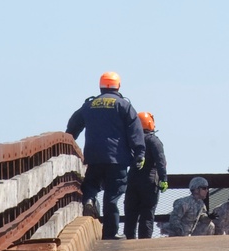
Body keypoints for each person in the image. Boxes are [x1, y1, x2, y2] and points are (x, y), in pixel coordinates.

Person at [66, 71, 146, 240]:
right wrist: (139, 153)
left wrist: (68, 139)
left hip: (93, 156)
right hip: (117, 159)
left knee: (91, 183)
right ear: (118, 86)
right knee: (113, 195)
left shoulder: (89, 105)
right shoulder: (124, 105)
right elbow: (135, 131)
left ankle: (89, 199)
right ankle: (110, 233)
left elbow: (74, 125)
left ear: (100, 86)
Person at [123, 111, 168, 239]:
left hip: (132, 181)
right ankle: (144, 241)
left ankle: (128, 239)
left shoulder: (131, 139)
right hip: (149, 182)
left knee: (130, 213)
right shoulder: (154, 141)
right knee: (147, 214)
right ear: (150, 123)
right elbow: (161, 162)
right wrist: (163, 179)